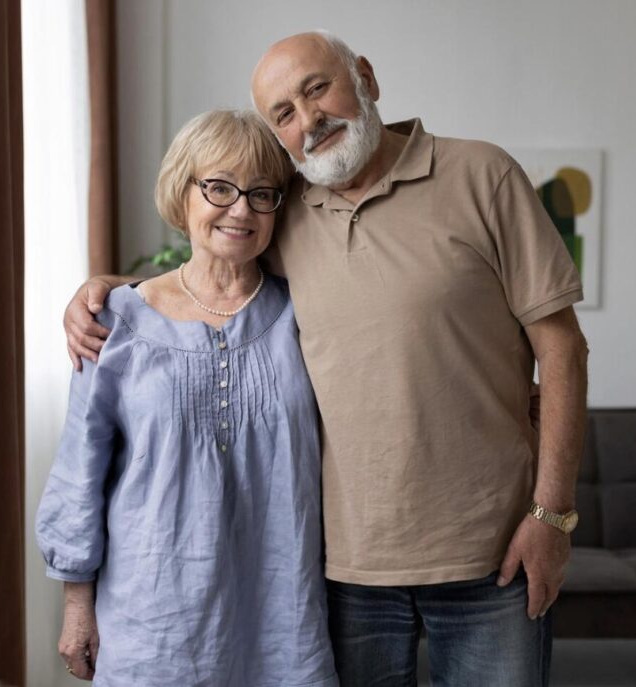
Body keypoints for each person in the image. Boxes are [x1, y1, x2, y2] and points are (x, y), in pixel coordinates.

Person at [64, 31, 589, 686]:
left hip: (495, 554)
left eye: (318, 89)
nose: (309, 119)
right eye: (283, 113)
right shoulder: (285, 211)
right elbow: (213, 269)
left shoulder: (483, 174)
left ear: (364, 76)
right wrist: (110, 291)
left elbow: (563, 348)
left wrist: (551, 515)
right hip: (345, 572)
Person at [36, 109, 338, 686]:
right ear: (183, 192)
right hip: (152, 624)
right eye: (219, 187)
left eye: (261, 194)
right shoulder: (115, 321)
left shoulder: (306, 314)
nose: (241, 210)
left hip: (283, 618)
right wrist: (77, 606)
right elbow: (79, 471)